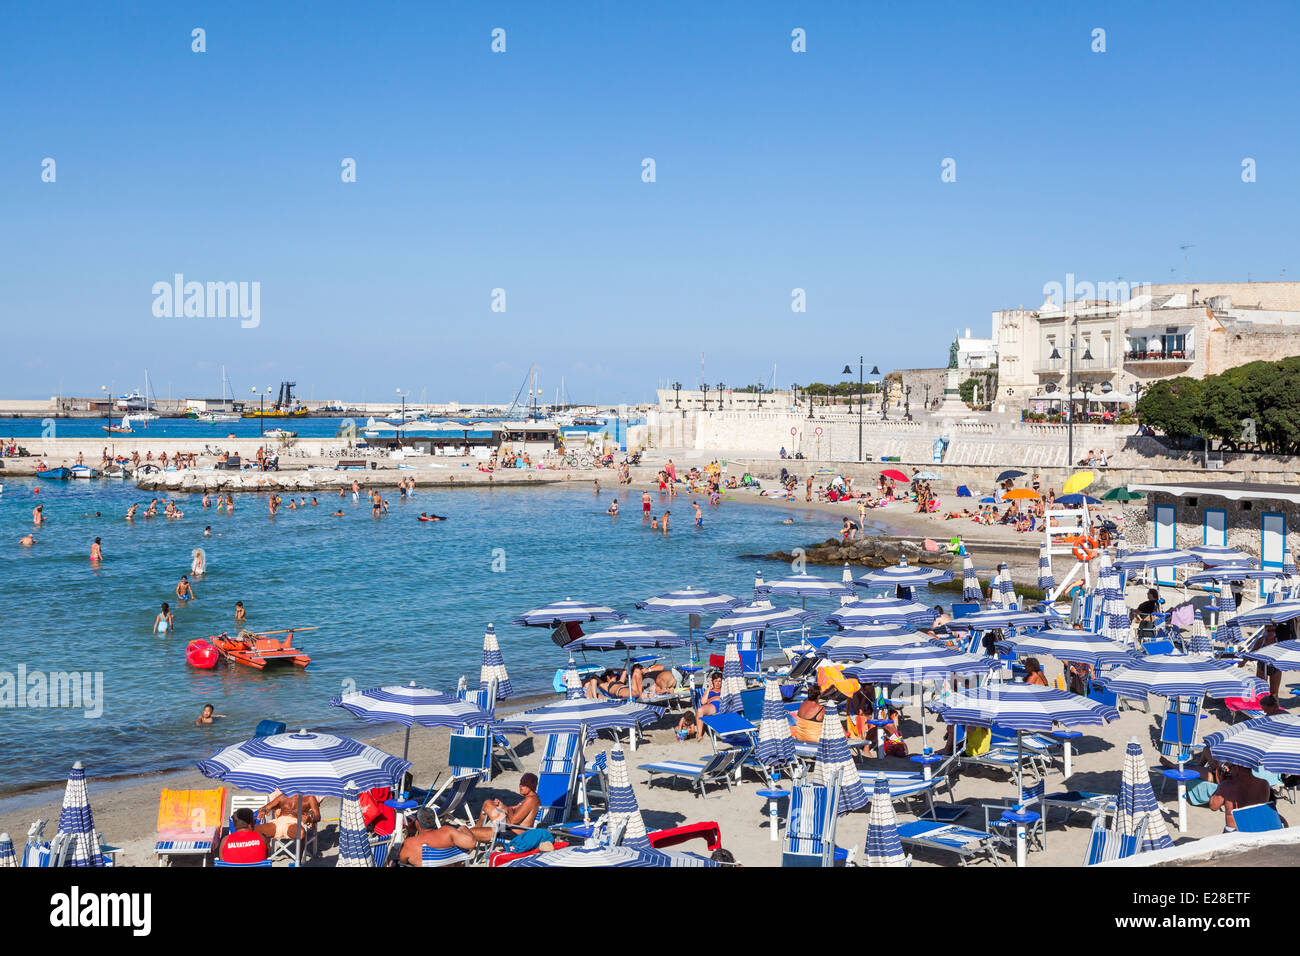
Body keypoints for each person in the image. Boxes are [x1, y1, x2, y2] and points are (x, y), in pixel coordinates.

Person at [462, 774, 542, 845]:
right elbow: (513, 809)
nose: (521, 786)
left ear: (531, 786)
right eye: (521, 783)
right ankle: (477, 827)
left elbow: (514, 821)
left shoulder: (531, 799)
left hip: (513, 834)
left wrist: (505, 808)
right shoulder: (527, 799)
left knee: (469, 832)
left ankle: (472, 835)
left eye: (525, 784)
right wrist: (501, 805)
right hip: (508, 827)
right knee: (488, 803)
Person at [397, 806, 475, 865]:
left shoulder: (411, 843)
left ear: (417, 823)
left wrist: (410, 835)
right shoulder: (447, 831)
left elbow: (402, 860)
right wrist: (464, 828)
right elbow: (471, 843)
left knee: (392, 863)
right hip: (447, 864)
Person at [256, 791, 321, 844]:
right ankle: (262, 855)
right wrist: (263, 810)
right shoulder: (283, 796)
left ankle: (299, 859)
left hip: (295, 822)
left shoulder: (310, 798)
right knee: (254, 830)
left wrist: (310, 819)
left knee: (301, 833)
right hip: (279, 822)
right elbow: (266, 807)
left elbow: (318, 817)